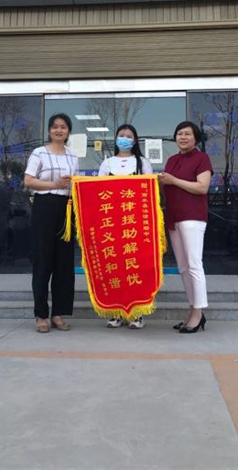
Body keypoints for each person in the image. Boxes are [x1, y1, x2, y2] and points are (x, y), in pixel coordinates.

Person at [24, 113, 79, 333]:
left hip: (67, 209)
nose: (59, 130)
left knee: (64, 263)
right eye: (55, 127)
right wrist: (53, 184)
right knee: (43, 260)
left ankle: (58, 314)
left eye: (63, 127)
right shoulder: (39, 152)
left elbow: (76, 184)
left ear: (68, 132)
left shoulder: (73, 155)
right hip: (44, 206)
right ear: (49, 131)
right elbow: (28, 181)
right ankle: (41, 315)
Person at [159, 121, 213, 334]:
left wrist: (173, 180)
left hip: (192, 217)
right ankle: (193, 310)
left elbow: (202, 187)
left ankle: (198, 312)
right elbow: (166, 186)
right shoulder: (172, 160)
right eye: (179, 133)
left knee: (194, 264)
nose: (183, 137)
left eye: (187, 134)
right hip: (173, 217)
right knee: (183, 267)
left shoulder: (202, 158)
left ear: (195, 138)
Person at [98, 124, 153, 330]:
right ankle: (116, 312)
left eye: (129, 136)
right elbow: (97, 190)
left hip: (134, 223)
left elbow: (150, 191)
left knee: (135, 267)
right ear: (115, 139)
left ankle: (136, 313)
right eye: (121, 135)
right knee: (115, 267)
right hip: (112, 224)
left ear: (135, 140)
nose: (125, 139)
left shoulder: (143, 163)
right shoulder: (107, 163)